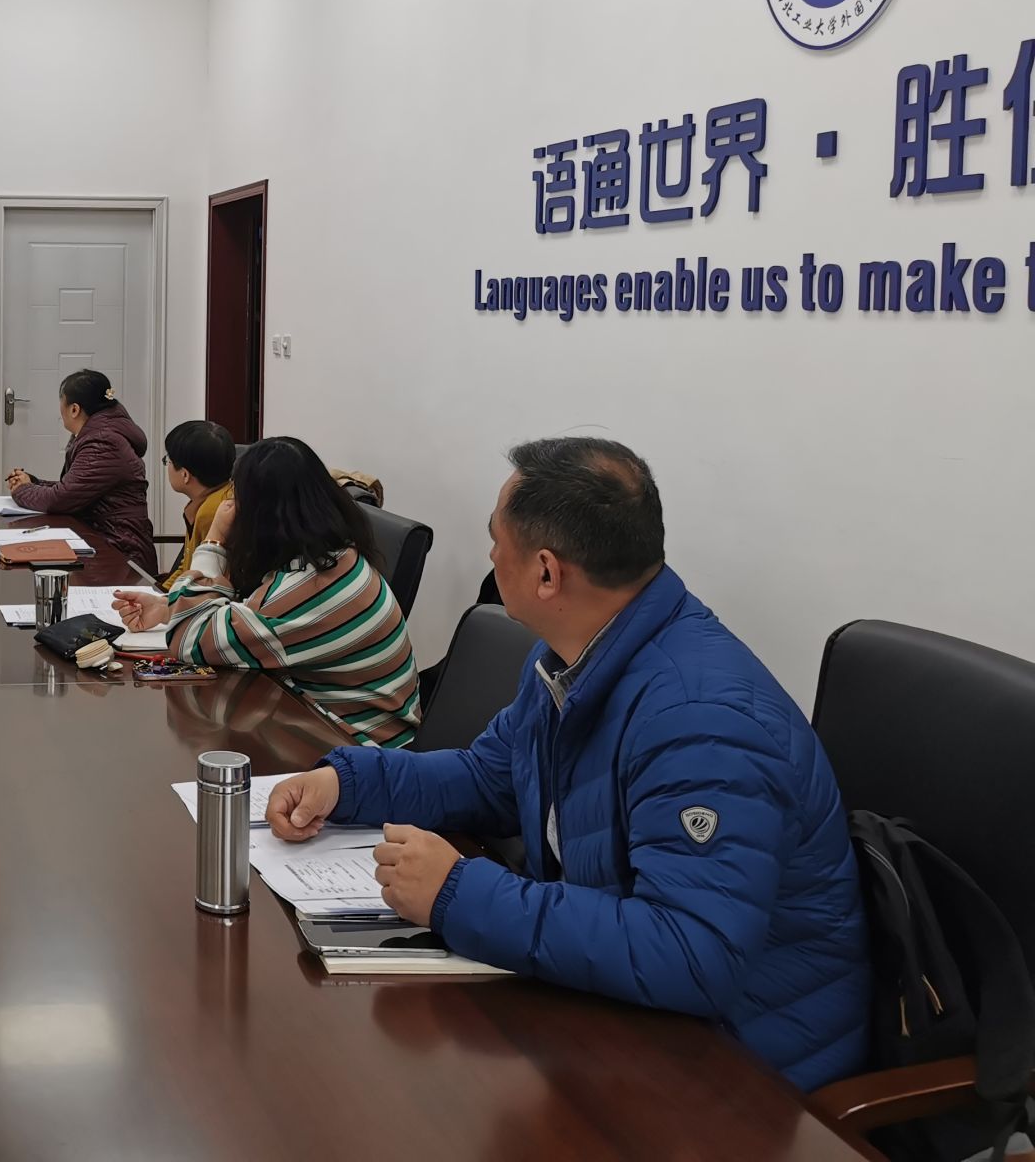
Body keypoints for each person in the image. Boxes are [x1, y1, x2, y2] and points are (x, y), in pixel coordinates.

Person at [263, 437, 869, 1091]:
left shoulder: (701, 722)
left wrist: (458, 893)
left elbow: (692, 955)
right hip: (623, 1008)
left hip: (742, 1066)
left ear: (547, 574)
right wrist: (349, 782)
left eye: (496, 539)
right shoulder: (572, 654)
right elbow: (491, 776)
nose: (490, 556)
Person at [117, 436, 419, 745]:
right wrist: (168, 608)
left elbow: (189, 640)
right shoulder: (333, 557)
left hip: (362, 748)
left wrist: (214, 540)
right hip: (336, 722)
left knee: (196, 737)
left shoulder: (309, 588)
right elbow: (245, 613)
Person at [5, 369, 156, 574]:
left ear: (74, 409)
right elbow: (77, 488)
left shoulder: (103, 442)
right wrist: (34, 482)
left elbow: (61, 499)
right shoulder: (102, 432)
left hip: (119, 554)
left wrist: (22, 490)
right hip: (106, 541)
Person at [158, 419, 236, 588]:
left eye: (168, 460)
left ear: (185, 474)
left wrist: (164, 598)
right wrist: (161, 592)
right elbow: (187, 563)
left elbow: (201, 578)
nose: (167, 466)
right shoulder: (209, 500)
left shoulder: (212, 511)